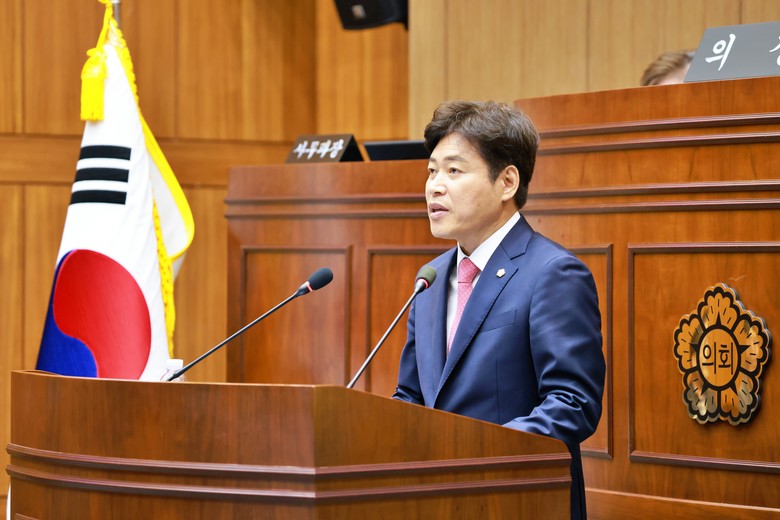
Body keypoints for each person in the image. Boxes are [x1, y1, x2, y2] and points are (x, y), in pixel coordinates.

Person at [393, 100, 605, 520]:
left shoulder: (553, 273)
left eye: (454, 171)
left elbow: (573, 403)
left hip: (518, 501)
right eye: (432, 171)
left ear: (507, 182)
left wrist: (473, 456)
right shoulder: (430, 280)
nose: (434, 187)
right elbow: (411, 397)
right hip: (436, 502)